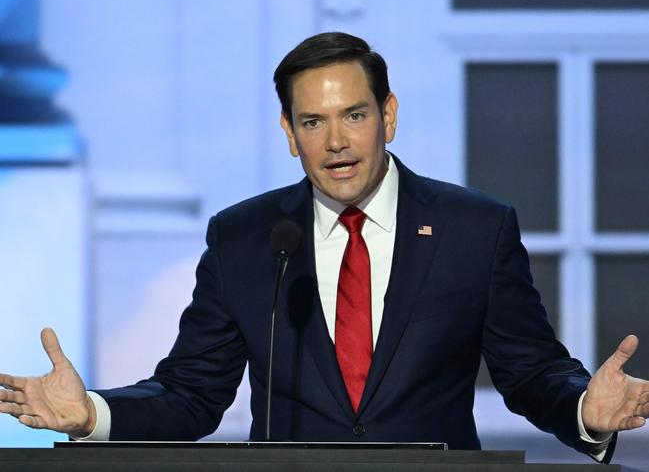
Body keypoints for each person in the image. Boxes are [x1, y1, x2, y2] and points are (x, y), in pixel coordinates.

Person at [1, 32, 648, 463]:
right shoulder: (246, 237)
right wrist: (91, 414)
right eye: (313, 121)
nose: (335, 140)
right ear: (289, 132)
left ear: (387, 115)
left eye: (354, 115)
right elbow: (192, 392)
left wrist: (582, 411)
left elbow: (529, 371)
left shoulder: (473, 229)